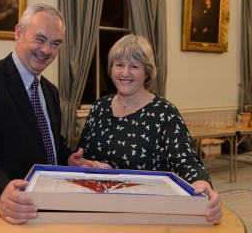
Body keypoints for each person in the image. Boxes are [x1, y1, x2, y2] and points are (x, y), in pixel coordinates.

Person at [0, 3, 110, 233]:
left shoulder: (49, 90)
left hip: (42, 210)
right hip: (0, 210)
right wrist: (0, 190)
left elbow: (50, 141)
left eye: (55, 43)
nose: (47, 50)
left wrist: (68, 159)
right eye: (40, 39)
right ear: (19, 33)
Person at [77, 34, 223, 224]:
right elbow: (83, 156)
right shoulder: (99, 107)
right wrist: (86, 163)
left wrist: (202, 185)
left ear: (147, 73)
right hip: (96, 207)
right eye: (119, 64)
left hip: (146, 212)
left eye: (134, 66)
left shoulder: (164, 112)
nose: (125, 72)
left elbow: (187, 162)